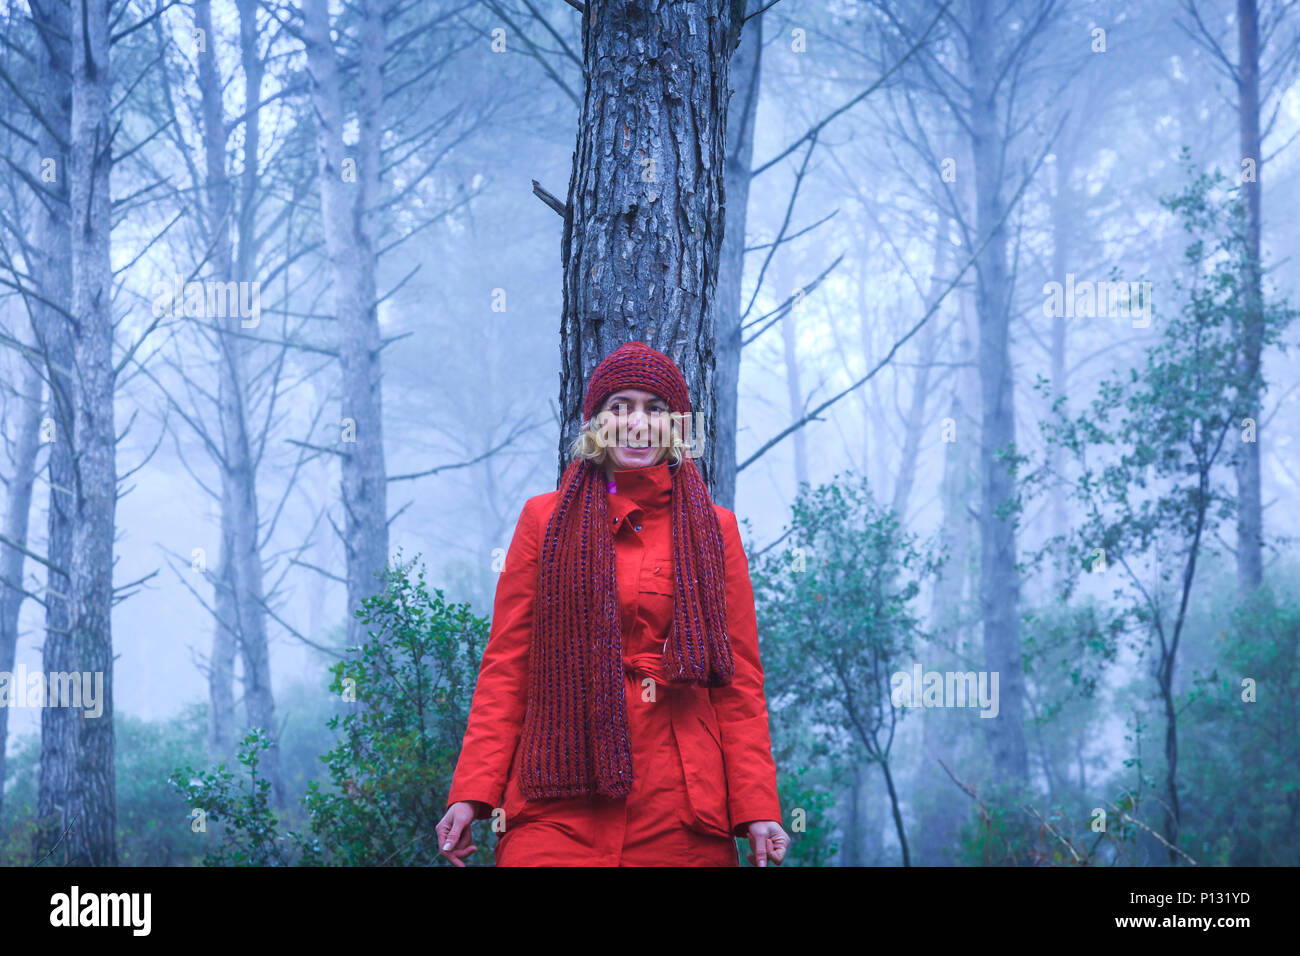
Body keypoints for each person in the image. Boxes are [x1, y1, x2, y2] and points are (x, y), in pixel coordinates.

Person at [436, 340, 789, 866]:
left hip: (680, 808)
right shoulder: (543, 521)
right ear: (594, 423)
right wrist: (472, 791)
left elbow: (738, 684)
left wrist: (758, 805)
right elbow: (507, 668)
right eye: (619, 407)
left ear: (678, 427)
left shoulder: (715, 530)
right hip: (558, 792)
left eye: (657, 409)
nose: (638, 424)